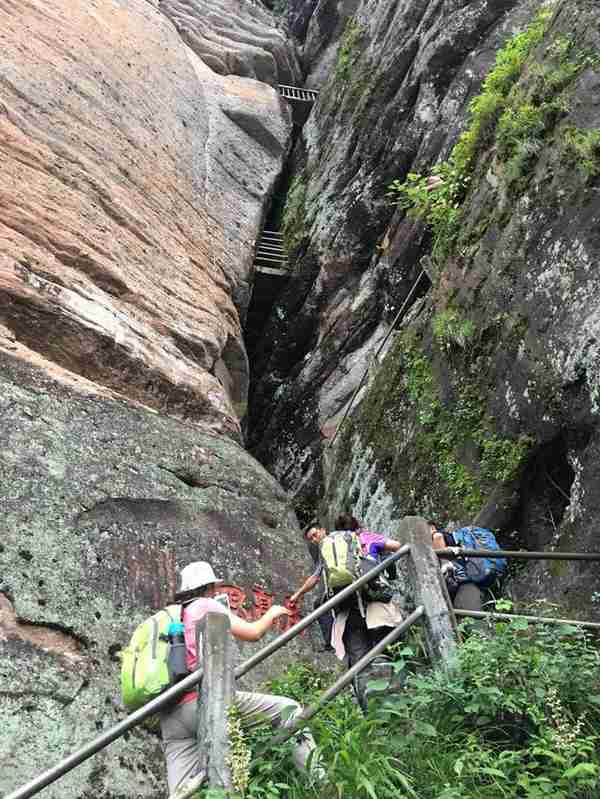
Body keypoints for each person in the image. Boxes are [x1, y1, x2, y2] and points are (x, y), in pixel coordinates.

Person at [160, 561, 322, 794]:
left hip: (170, 711)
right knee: (290, 710)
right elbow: (253, 633)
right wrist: (273, 612)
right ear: (209, 587)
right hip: (202, 700)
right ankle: (321, 785)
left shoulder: (170, 615)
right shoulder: (205, 605)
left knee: (182, 792)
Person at [290, 518, 404, 711]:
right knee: (387, 652)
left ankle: (373, 715)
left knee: (360, 662)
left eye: (315, 534)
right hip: (377, 607)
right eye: (311, 538)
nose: (315, 539)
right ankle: (398, 706)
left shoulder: (326, 552)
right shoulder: (365, 537)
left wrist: (297, 595)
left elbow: (314, 578)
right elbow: (397, 546)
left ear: (324, 530)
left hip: (347, 612)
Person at [429, 521, 485, 614]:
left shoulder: (437, 535)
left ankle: (447, 568)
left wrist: (444, 563)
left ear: (432, 528)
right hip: (466, 572)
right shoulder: (451, 537)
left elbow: (437, 537)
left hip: (459, 576)